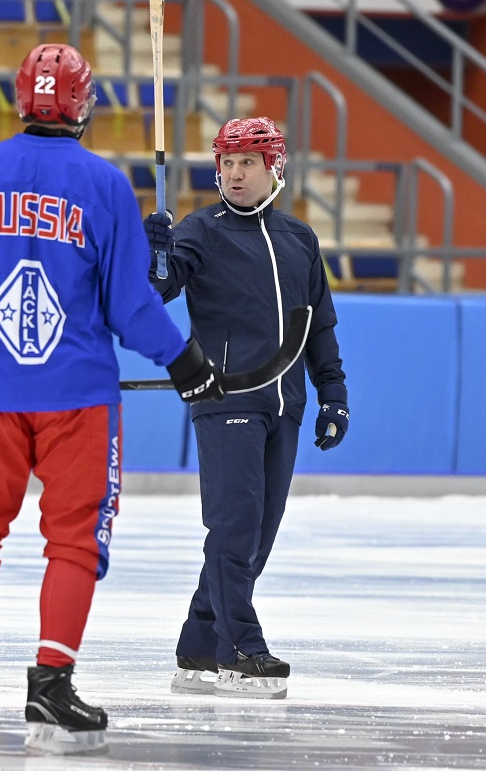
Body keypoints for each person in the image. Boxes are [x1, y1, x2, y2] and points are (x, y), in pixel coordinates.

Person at [0, 43, 224, 755]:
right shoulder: (105, 186)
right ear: (83, 105)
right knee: (74, 537)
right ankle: (50, 687)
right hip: (77, 395)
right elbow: (132, 305)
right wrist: (185, 359)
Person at [144, 116, 348, 700]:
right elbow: (155, 290)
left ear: (273, 167)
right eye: (226, 163)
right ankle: (242, 649)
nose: (233, 173)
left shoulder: (299, 239)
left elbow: (320, 324)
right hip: (226, 397)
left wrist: (333, 394)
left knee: (258, 532)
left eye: (247, 163)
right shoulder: (200, 231)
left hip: (285, 404)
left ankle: (200, 641)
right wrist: (153, 253)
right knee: (233, 526)